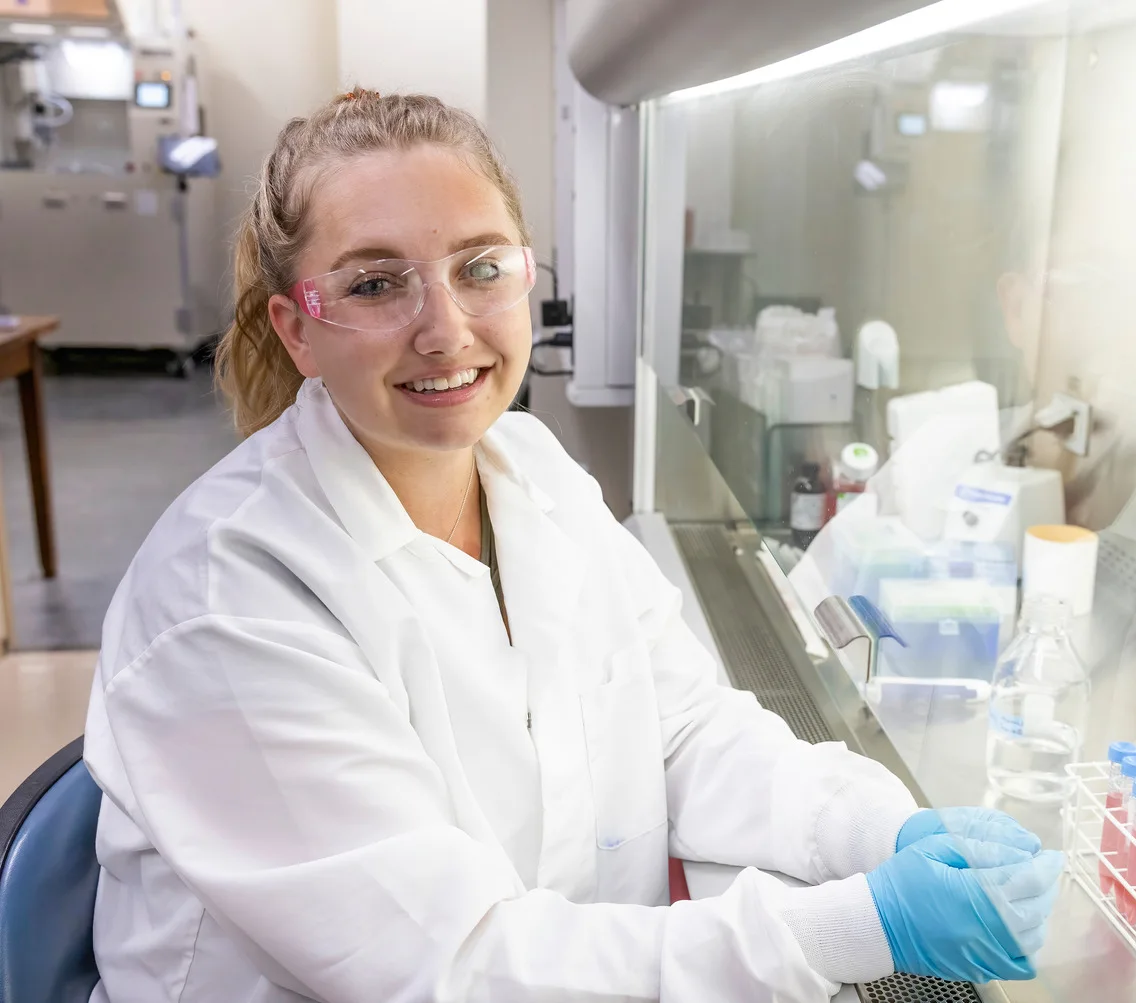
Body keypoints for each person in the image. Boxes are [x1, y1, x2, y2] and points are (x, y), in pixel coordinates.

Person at [82, 90, 1064, 1002]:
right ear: (299, 329)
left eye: (480, 267)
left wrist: (874, 825)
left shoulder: (530, 466)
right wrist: (856, 926)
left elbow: (681, 730)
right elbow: (452, 966)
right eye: (378, 283)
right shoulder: (228, 600)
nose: (446, 327)